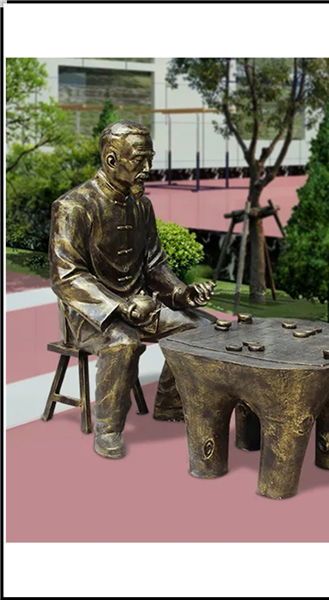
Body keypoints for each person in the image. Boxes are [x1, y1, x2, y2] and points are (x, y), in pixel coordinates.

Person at [49, 120, 216, 460]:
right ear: (111, 160)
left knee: (201, 327)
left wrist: (182, 294)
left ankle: (170, 403)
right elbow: (66, 276)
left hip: (142, 306)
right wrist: (119, 306)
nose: (148, 168)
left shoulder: (142, 206)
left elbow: (155, 266)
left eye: (149, 158)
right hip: (90, 315)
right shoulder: (73, 206)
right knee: (123, 342)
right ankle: (108, 430)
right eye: (139, 160)